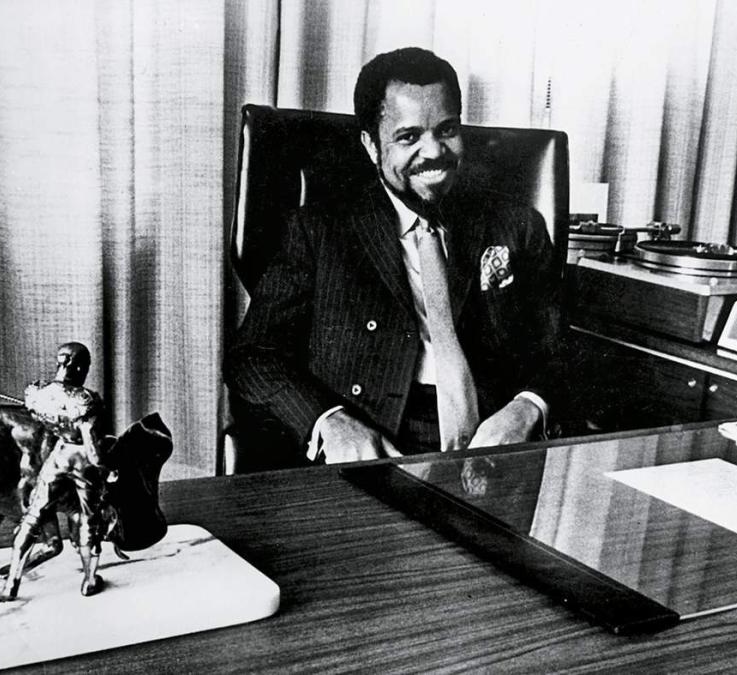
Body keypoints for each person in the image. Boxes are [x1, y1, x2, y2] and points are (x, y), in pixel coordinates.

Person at [224, 47, 567, 469]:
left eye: (447, 130)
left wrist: (527, 408)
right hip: (378, 447)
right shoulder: (319, 230)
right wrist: (329, 421)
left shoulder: (517, 225)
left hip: (494, 448)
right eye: (409, 137)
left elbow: (563, 348)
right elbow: (252, 356)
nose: (434, 152)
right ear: (371, 145)